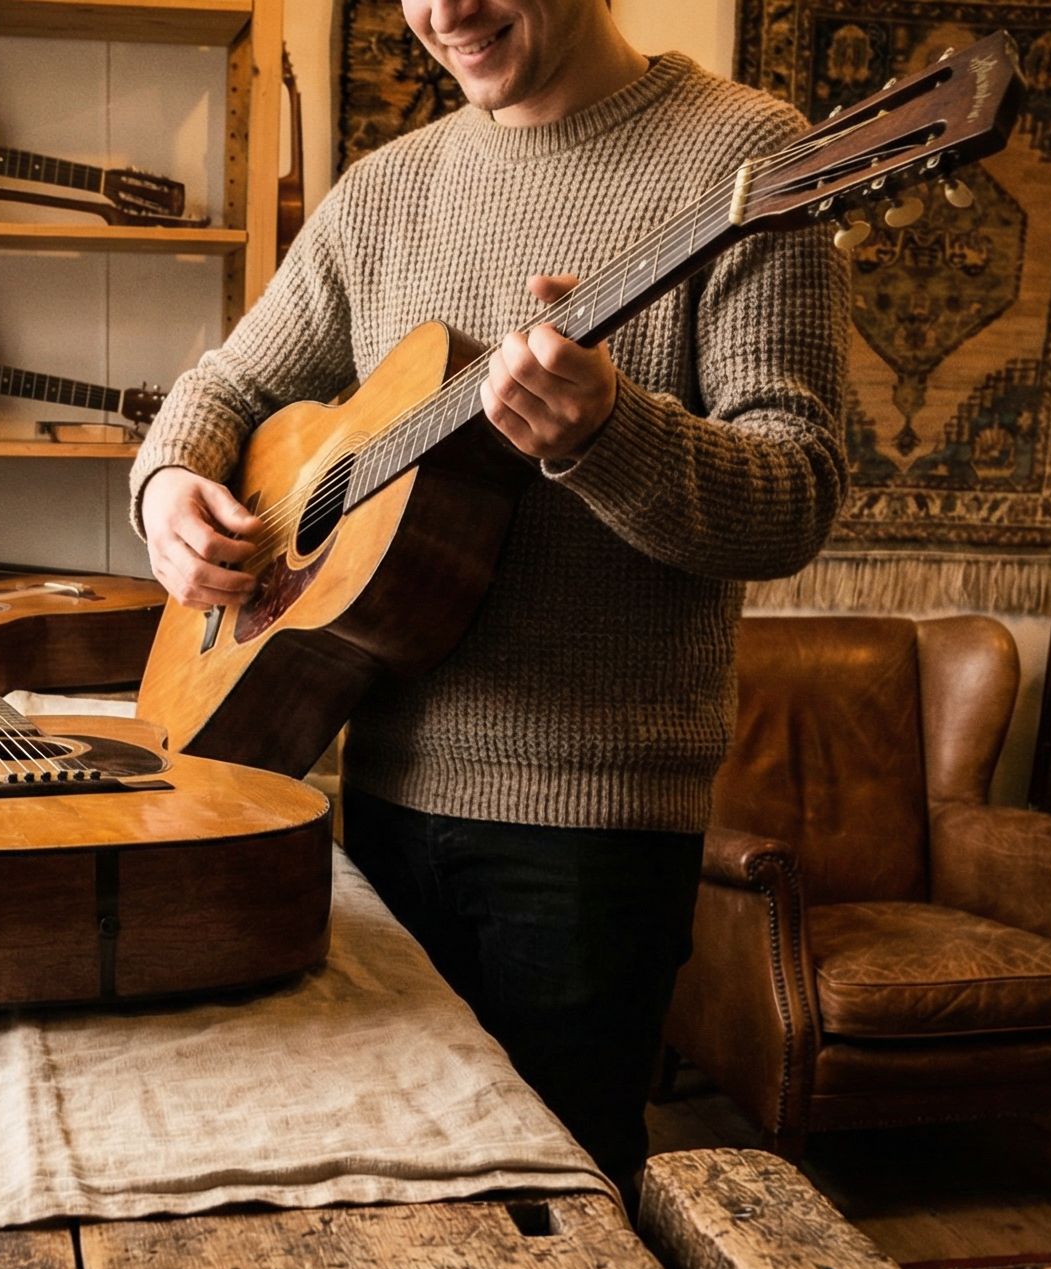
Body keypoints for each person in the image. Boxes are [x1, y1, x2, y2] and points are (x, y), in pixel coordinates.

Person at [129, 0, 848, 1197]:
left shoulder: (750, 159)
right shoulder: (386, 190)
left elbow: (794, 497)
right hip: (376, 800)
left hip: (592, 831)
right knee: (390, 1188)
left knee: (557, 1213)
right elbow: (230, 380)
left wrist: (608, 434)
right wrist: (169, 486)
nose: (443, 11)